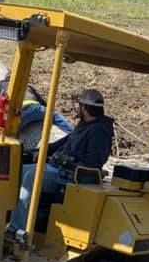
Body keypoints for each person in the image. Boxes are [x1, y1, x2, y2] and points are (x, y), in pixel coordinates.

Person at [8, 88, 114, 235]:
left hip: (71, 176)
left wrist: (68, 160)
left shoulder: (100, 131)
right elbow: (62, 143)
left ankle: (17, 229)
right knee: (18, 171)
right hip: (58, 169)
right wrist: (42, 151)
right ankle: (8, 217)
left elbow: (94, 162)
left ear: (84, 108)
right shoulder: (84, 126)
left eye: (80, 106)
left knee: (31, 176)